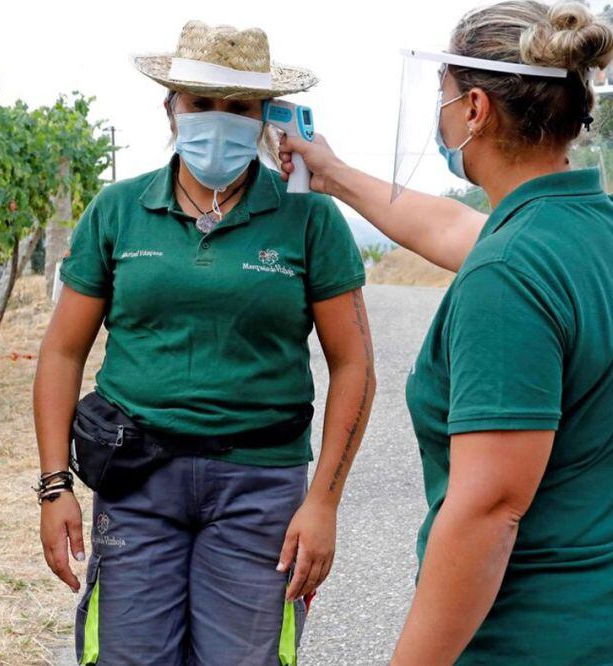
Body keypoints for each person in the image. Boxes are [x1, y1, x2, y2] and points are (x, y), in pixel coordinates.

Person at [278, 2, 613, 664]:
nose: (441, 115)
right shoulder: (610, 227)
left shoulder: (509, 271)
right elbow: (453, 231)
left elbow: (488, 511)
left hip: (555, 642)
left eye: (445, 97)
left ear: (476, 110)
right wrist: (332, 173)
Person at [33, 20, 375, 666]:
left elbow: (354, 363)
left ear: (267, 117)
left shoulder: (310, 219)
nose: (219, 120)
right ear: (170, 109)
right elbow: (61, 353)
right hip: (136, 484)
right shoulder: (118, 211)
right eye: (201, 103)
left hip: (261, 489)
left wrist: (324, 501)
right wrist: (55, 488)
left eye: (239, 107)